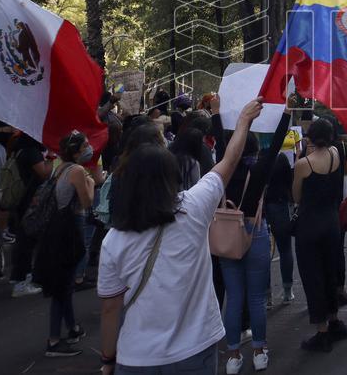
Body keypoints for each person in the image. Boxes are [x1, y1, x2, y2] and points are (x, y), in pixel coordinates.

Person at [97, 97, 263, 374]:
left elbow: (110, 309)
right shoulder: (193, 208)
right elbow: (229, 160)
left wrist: (107, 359)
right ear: (170, 176)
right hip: (195, 351)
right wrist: (244, 120)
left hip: (137, 357)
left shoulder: (114, 240)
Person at [210, 94, 291, 374]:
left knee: (234, 297)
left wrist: (217, 113)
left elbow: (222, 143)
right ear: (256, 152)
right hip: (255, 233)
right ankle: (259, 350)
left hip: (225, 237)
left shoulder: (224, 169)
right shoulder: (261, 170)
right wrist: (286, 114)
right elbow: (278, 142)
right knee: (256, 298)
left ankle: (232, 355)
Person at [293, 118, 347, 352]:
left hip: (309, 225)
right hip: (332, 222)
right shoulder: (336, 155)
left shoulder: (304, 164)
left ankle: (322, 332)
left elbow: (297, 197)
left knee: (313, 277)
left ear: (310, 137)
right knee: (330, 272)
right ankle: (334, 319)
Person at [36, 132, 95, 358]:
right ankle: (53, 340)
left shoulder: (60, 168)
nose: (89, 148)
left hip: (56, 229)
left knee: (66, 283)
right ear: (77, 150)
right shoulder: (78, 171)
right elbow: (86, 201)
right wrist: (90, 183)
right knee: (63, 286)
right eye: (86, 145)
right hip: (70, 228)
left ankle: (72, 328)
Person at [9, 135, 50, 298]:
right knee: (27, 241)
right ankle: (22, 281)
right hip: (30, 200)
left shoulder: (19, 150)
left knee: (24, 240)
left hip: (22, 200)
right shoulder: (32, 152)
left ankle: (23, 277)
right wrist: (51, 159)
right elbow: (44, 173)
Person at [265, 129, 300, 307]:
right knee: (285, 249)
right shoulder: (282, 159)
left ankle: (267, 295)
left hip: (262, 208)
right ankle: (287, 291)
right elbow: (290, 182)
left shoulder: (261, 158)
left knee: (263, 253)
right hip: (281, 205)